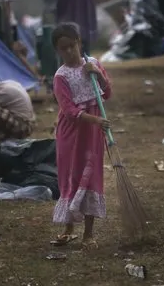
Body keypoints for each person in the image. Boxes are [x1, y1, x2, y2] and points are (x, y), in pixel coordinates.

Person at [51, 22, 111, 249]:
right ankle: (68, 227)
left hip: (93, 135)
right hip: (72, 133)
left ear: (79, 43)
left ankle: (89, 233)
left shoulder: (93, 64)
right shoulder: (61, 76)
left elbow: (108, 92)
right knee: (71, 176)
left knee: (92, 177)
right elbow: (69, 111)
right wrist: (95, 120)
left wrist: (99, 76)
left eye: (72, 46)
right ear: (57, 50)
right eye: (63, 48)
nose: (68, 51)